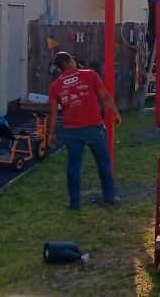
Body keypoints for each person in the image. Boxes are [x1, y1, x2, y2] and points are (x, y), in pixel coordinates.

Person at [47, 51, 121, 209]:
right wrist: (115, 112)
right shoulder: (90, 75)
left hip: (72, 131)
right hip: (94, 127)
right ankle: (109, 197)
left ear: (59, 68)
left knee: (73, 167)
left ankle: (74, 203)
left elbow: (53, 114)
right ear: (70, 62)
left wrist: (51, 134)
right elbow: (104, 97)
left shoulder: (55, 87)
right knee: (103, 163)